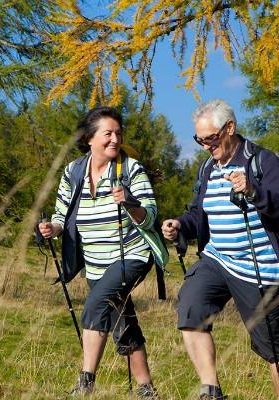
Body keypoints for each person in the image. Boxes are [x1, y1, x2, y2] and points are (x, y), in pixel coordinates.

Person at [39, 106, 166, 398]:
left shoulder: (131, 169)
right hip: (95, 264)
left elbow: (149, 217)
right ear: (89, 138)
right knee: (123, 318)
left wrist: (129, 203)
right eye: (107, 133)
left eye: (118, 134)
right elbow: (61, 215)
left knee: (97, 304)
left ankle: (85, 383)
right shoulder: (73, 171)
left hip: (132, 255)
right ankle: (146, 389)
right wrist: (51, 229)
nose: (114, 139)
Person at [162, 99, 279, 399]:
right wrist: (180, 225)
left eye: (210, 139)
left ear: (230, 129)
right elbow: (198, 214)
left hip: (259, 266)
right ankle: (211, 391)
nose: (204, 146)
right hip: (217, 259)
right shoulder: (207, 169)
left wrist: (253, 191)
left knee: (273, 351)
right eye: (199, 140)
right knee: (191, 307)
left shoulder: (262, 161)